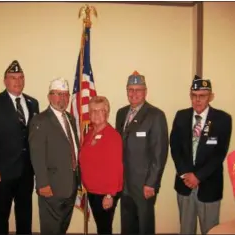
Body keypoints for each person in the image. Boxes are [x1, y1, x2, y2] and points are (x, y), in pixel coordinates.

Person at [0, 60, 39, 235]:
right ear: (5, 81)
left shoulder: (32, 103)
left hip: (26, 172)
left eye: (20, 77)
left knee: (25, 216)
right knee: (1, 217)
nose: (17, 81)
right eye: (13, 77)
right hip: (1, 173)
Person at [170, 75, 232, 234]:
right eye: (194, 95)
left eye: (202, 96)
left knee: (210, 230)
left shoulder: (223, 119)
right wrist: (185, 174)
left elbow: (219, 153)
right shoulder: (181, 116)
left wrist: (198, 176)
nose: (197, 100)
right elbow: (175, 147)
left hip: (209, 185)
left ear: (211, 96)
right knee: (186, 229)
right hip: (185, 184)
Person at [115, 71, 169, 235]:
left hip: (144, 184)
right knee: (127, 225)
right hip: (124, 183)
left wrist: (152, 183)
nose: (134, 94)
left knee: (144, 226)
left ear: (145, 91)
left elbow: (160, 152)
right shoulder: (121, 113)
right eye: (130, 89)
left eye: (138, 89)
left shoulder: (155, 115)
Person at [29, 77, 80, 235]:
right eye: (58, 94)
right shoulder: (40, 120)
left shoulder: (70, 118)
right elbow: (37, 155)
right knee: (51, 229)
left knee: (62, 226)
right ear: (49, 96)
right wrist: (42, 184)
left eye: (65, 94)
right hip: (51, 187)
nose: (62, 98)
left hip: (70, 185)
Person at [79, 96, 123, 235]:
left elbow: (116, 167)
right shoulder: (90, 134)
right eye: (93, 111)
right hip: (93, 190)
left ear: (107, 113)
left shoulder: (112, 136)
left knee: (104, 229)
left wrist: (110, 195)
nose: (96, 114)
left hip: (105, 192)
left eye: (101, 110)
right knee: (101, 226)